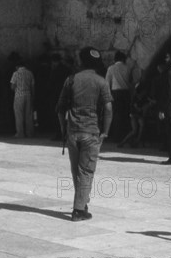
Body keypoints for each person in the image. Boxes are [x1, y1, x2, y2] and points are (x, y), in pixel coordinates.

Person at [57, 47, 113, 222]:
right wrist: (105, 131)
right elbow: (109, 108)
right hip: (91, 132)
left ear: (81, 61)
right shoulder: (101, 82)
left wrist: (63, 129)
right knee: (86, 171)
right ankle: (78, 211)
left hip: (73, 132)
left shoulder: (71, 80)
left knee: (77, 171)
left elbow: (59, 109)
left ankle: (82, 202)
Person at [106, 51, 133, 141]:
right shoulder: (128, 68)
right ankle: (125, 135)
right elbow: (131, 81)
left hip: (115, 92)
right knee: (125, 114)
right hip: (126, 92)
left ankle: (116, 136)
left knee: (116, 114)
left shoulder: (111, 68)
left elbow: (107, 82)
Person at [118, 81, 152, 148]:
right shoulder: (137, 97)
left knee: (139, 128)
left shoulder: (141, 97)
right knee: (137, 129)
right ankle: (126, 142)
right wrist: (145, 107)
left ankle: (131, 142)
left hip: (136, 114)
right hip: (135, 114)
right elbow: (137, 107)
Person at [48, 53, 72, 140]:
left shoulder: (54, 71)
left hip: (56, 95)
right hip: (67, 94)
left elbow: (51, 84)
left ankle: (59, 134)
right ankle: (67, 134)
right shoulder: (67, 69)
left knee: (57, 115)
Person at [10, 59, 35, 139]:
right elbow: (33, 86)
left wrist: (16, 90)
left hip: (19, 95)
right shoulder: (30, 73)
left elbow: (12, 86)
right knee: (29, 115)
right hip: (28, 95)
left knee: (19, 115)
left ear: (17, 66)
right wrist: (33, 96)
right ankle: (29, 133)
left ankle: (20, 133)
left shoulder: (16, 73)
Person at [151, 56, 170, 152]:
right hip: (170, 104)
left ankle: (164, 144)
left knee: (161, 125)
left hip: (160, 104)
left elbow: (153, 95)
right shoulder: (170, 77)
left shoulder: (156, 79)